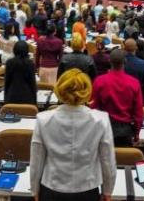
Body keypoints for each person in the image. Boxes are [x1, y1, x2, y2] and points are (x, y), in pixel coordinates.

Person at [30, 69, 116, 201]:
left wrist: (34, 189)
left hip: (52, 187)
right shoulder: (101, 120)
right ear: (87, 91)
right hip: (87, 189)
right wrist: (108, 191)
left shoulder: (43, 119)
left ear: (59, 89)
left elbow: (37, 160)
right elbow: (107, 161)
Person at [91, 49, 143, 146]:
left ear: (109, 61)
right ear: (125, 62)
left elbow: (94, 107)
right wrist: (136, 132)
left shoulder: (99, 81)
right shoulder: (134, 83)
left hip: (104, 128)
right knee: (123, 159)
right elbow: (138, 112)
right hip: (125, 131)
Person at [124, 39, 144, 106]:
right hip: (137, 99)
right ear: (136, 48)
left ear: (124, 48)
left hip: (122, 99)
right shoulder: (143, 64)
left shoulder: (119, 62)